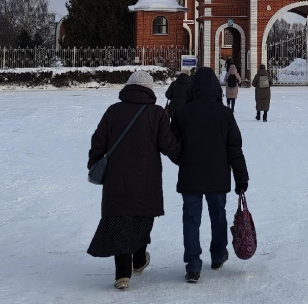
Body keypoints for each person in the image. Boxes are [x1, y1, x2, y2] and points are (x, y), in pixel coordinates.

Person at [87, 70, 181, 291]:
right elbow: (169, 145)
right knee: (142, 217)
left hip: (116, 178)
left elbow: (98, 141)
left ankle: (122, 275)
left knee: (120, 219)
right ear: (149, 90)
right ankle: (138, 260)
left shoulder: (113, 111)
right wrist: (188, 157)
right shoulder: (156, 113)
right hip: (146, 179)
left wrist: (94, 164)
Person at [171, 68, 249, 283]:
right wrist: (241, 177)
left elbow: (171, 145)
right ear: (216, 88)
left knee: (191, 219)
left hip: (190, 176)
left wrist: (182, 160)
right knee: (218, 216)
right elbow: (235, 149)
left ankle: (193, 266)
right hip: (218, 177)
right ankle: (217, 255)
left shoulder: (182, 113)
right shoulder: (225, 114)